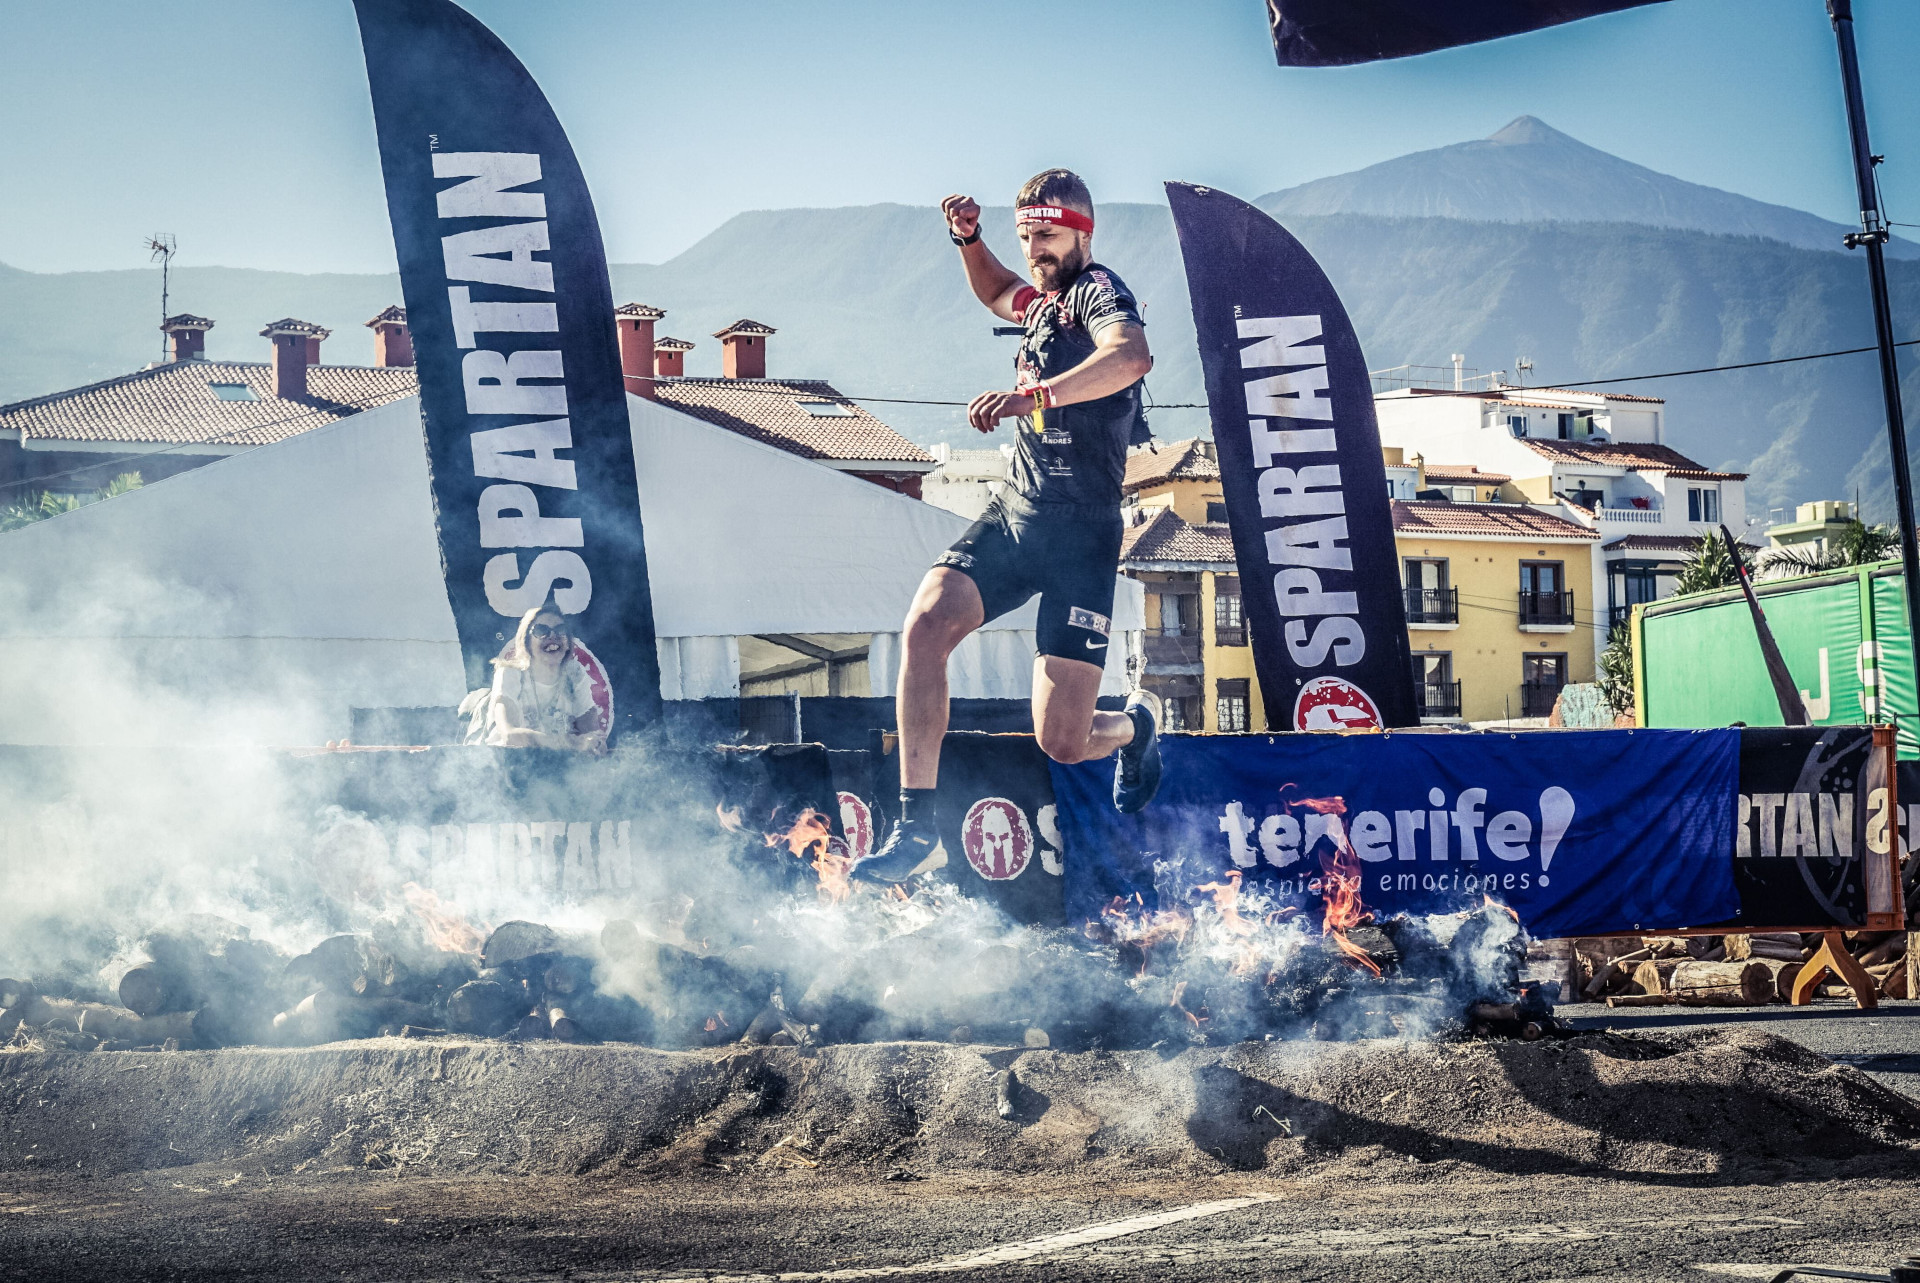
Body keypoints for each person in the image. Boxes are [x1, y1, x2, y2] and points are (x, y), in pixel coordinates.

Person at [856, 168, 1163, 881]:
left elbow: (1132, 354)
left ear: (1082, 232)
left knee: (1061, 740)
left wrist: (1039, 398)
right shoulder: (1041, 300)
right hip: (1019, 515)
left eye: (1048, 236)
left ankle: (1135, 726)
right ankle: (916, 828)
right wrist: (969, 238)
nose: (1036, 251)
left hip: (1081, 540)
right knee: (926, 625)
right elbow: (996, 289)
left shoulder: (1096, 291)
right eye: (1027, 237)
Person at [483, 607, 608, 754]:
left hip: (559, 765)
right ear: (526, 641)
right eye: (541, 630)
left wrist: (595, 743)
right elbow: (510, 736)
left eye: (561, 629)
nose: (553, 636)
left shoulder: (574, 673)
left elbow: (593, 739)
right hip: (508, 764)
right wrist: (572, 742)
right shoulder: (510, 673)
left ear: (568, 641)